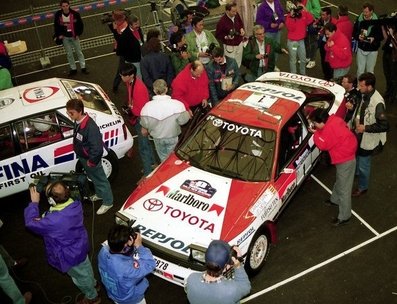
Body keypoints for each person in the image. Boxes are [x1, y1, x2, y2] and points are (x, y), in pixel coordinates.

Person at [24, 182, 100, 304]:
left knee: (79, 277)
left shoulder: (53, 221)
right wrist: (45, 219)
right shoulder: (75, 204)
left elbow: (30, 223)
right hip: (80, 246)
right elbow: (56, 219)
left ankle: (92, 297)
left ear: (51, 201)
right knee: (86, 268)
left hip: (69, 255)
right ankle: (94, 285)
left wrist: (34, 203)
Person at [309, 109, 357, 226]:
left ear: (320, 122)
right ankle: (334, 200)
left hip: (345, 159)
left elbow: (322, 145)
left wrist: (315, 133)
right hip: (347, 152)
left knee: (344, 189)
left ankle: (345, 216)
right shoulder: (334, 119)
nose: (314, 125)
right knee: (341, 179)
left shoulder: (328, 130)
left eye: (315, 123)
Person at [66, 98, 114, 215]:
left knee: (101, 180)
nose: (69, 115)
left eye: (71, 113)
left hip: (91, 160)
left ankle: (108, 202)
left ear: (80, 111)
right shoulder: (78, 122)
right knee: (94, 178)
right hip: (84, 158)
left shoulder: (90, 127)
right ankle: (100, 194)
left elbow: (97, 149)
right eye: (68, 112)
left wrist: (92, 161)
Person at [98, 224, 156, 304]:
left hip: (115, 294)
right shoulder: (127, 270)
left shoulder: (103, 251)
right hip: (131, 300)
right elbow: (150, 264)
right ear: (125, 247)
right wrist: (139, 246)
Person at [352, 72, 388, 197]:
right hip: (360, 134)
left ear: (370, 86)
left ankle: (363, 187)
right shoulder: (365, 94)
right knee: (357, 157)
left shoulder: (378, 103)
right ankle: (356, 174)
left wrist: (365, 128)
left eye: (361, 85)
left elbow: (384, 126)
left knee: (364, 164)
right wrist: (357, 120)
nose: (359, 88)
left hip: (368, 138)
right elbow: (361, 110)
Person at [185, 240, 251, 304]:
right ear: (226, 266)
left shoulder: (191, 279)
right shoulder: (230, 290)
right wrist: (238, 266)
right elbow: (246, 287)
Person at [120, 63, 157, 177]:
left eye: (123, 75)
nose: (121, 77)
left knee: (143, 147)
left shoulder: (139, 88)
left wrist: (144, 126)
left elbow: (143, 110)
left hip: (141, 120)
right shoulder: (130, 83)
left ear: (131, 75)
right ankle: (152, 163)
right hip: (138, 118)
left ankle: (147, 173)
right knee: (145, 143)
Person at [140, 79, 190, 161]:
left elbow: (145, 124)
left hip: (157, 138)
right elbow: (183, 121)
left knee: (163, 158)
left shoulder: (147, 107)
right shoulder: (177, 105)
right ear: (166, 89)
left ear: (154, 90)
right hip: (172, 137)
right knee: (173, 158)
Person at [110, 14, 144, 92]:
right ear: (130, 25)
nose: (138, 25)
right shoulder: (126, 34)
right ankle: (137, 91)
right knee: (138, 78)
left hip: (139, 56)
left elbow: (141, 40)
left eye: (138, 23)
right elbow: (120, 43)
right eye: (136, 24)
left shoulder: (138, 29)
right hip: (133, 59)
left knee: (139, 76)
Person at [54, 0, 88, 76]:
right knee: (69, 54)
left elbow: (80, 25)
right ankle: (73, 69)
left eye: (66, 6)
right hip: (65, 37)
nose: (65, 8)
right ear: (61, 7)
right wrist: (59, 35)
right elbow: (56, 26)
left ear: (69, 5)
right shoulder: (58, 15)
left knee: (79, 52)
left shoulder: (75, 14)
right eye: (63, 6)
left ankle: (83, 67)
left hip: (74, 36)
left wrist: (78, 34)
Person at [352, 3, 383, 77]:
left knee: (370, 70)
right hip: (361, 48)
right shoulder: (359, 19)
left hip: (372, 50)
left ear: (371, 11)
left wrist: (374, 39)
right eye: (363, 12)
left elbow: (381, 36)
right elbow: (354, 32)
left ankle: (369, 87)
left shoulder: (378, 21)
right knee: (360, 70)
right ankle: (359, 87)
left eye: (366, 12)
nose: (364, 14)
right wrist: (358, 36)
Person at [285, 0, 314, 75]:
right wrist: (291, 17)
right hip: (293, 42)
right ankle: (293, 74)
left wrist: (306, 10)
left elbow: (311, 20)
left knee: (303, 59)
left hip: (301, 41)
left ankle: (303, 74)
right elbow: (290, 28)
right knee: (293, 60)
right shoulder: (289, 17)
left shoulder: (304, 14)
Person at [255, 0, 285, 68]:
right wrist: (269, 25)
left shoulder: (277, 2)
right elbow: (258, 21)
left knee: (276, 48)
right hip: (268, 32)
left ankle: (274, 65)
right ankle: (266, 66)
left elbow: (282, 14)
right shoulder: (262, 7)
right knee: (267, 50)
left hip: (278, 31)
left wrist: (282, 22)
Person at [215, 2, 245, 67]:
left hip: (239, 43)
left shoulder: (236, 15)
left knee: (238, 63)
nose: (235, 13)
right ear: (227, 11)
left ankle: (237, 75)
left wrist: (241, 29)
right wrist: (226, 37)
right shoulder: (222, 21)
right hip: (229, 46)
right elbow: (218, 35)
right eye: (233, 11)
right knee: (231, 65)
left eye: (236, 11)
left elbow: (240, 23)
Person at [317, 7, 337, 80]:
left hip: (331, 44)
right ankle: (325, 75)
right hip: (323, 43)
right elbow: (315, 26)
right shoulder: (320, 20)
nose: (322, 16)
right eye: (321, 14)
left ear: (329, 15)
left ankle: (330, 76)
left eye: (323, 15)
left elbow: (336, 34)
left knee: (330, 60)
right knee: (323, 59)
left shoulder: (334, 22)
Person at [381, 22, 397, 103]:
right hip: (387, 54)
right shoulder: (392, 28)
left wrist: (392, 35)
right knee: (387, 74)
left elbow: (395, 45)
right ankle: (388, 91)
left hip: (394, 57)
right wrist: (384, 30)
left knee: (393, 77)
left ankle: (393, 95)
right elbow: (387, 40)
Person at [303, 0, 321, 69]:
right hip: (305, 21)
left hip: (313, 22)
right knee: (306, 40)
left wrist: (306, 11)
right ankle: (307, 57)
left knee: (313, 41)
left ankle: (312, 60)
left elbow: (318, 11)